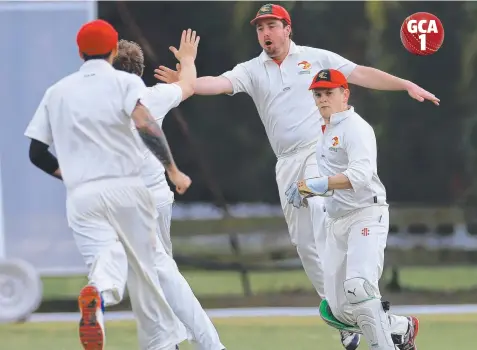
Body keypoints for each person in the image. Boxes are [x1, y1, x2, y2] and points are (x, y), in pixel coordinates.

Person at [155, 4, 438, 349]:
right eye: (260, 29)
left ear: (287, 28)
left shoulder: (315, 59)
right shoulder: (253, 70)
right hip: (286, 163)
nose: (266, 34)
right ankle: (357, 318)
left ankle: (357, 310)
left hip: (320, 151)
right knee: (305, 246)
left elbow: (360, 73)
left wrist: (405, 84)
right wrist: (187, 80)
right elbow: (216, 83)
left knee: (321, 219)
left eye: (272, 26)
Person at [24, 19, 192, 350]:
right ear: (112, 50)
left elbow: (36, 152)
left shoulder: (58, 91)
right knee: (155, 274)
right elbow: (147, 126)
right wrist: (172, 169)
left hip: (82, 195)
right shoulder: (128, 87)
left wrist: (68, 174)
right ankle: (167, 343)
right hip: (131, 191)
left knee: (107, 258)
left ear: (79, 52)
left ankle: (98, 296)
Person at [286, 68, 419, 350]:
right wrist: (308, 191)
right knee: (338, 311)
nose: (322, 99)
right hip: (337, 222)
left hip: (365, 215)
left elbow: (359, 177)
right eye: (318, 94)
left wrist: (314, 184)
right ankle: (400, 327)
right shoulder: (326, 130)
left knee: (359, 287)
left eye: (329, 93)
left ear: (345, 94)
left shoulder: (356, 128)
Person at [112, 39, 226, 350]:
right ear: (140, 69)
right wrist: (188, 59)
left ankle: (202, 344)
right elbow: (188, 85)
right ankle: (172, 340)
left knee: (157, 273)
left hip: (130, 204)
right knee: (159, 272)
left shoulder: (106, 102)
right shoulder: (153, 96)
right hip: (159, 199)